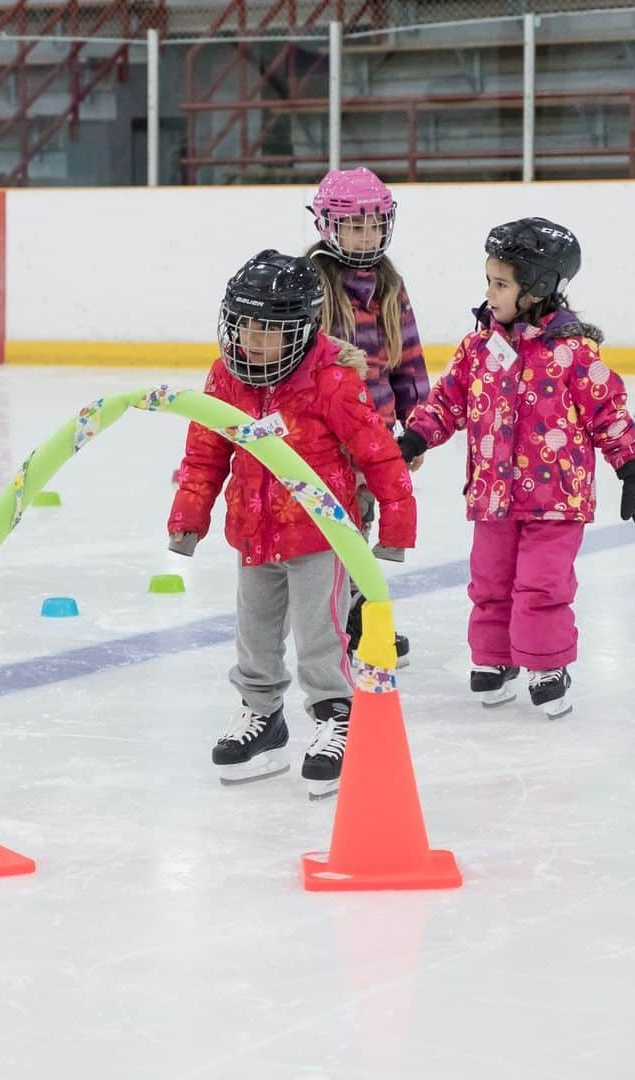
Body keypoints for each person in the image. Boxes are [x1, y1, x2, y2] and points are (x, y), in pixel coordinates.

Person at [167, 250, 416, 798]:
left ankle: (336, 716)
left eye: (268, 330)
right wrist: (190, 515)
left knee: (320, 633)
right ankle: (264, 717)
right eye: (244, 326)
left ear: (301, 330)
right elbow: (205, 452)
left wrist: (396, 520)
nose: (252, 341)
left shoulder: (329, 379)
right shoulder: (225, 376)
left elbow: (376, 451)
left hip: (319, 536)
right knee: (254, 633)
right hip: (253, 530)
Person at [398, 218, 635, 719]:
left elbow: (610, 411)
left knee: (542, 584)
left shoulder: (575, 354)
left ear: (537, 288)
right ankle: (495, 659)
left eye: (501, 284)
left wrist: (633, 471)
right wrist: (415, 435)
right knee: (490, 582)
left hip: (558, 500)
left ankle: (545, 663)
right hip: (493, 495)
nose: (490, 293)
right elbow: (446, 402)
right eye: (488, 282)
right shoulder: (477, 350)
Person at [306, 166, 430, 668]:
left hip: (372, 438)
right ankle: (330, 621)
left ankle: (358, 620)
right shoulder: (311, 282)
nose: (366, 234)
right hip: (319, 437)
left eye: (374, 223)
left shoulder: (390, 284)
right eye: (354, 225)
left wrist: (415, 426)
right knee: (326, 535)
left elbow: (408, 360)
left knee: (359, 525)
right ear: (328, 226)